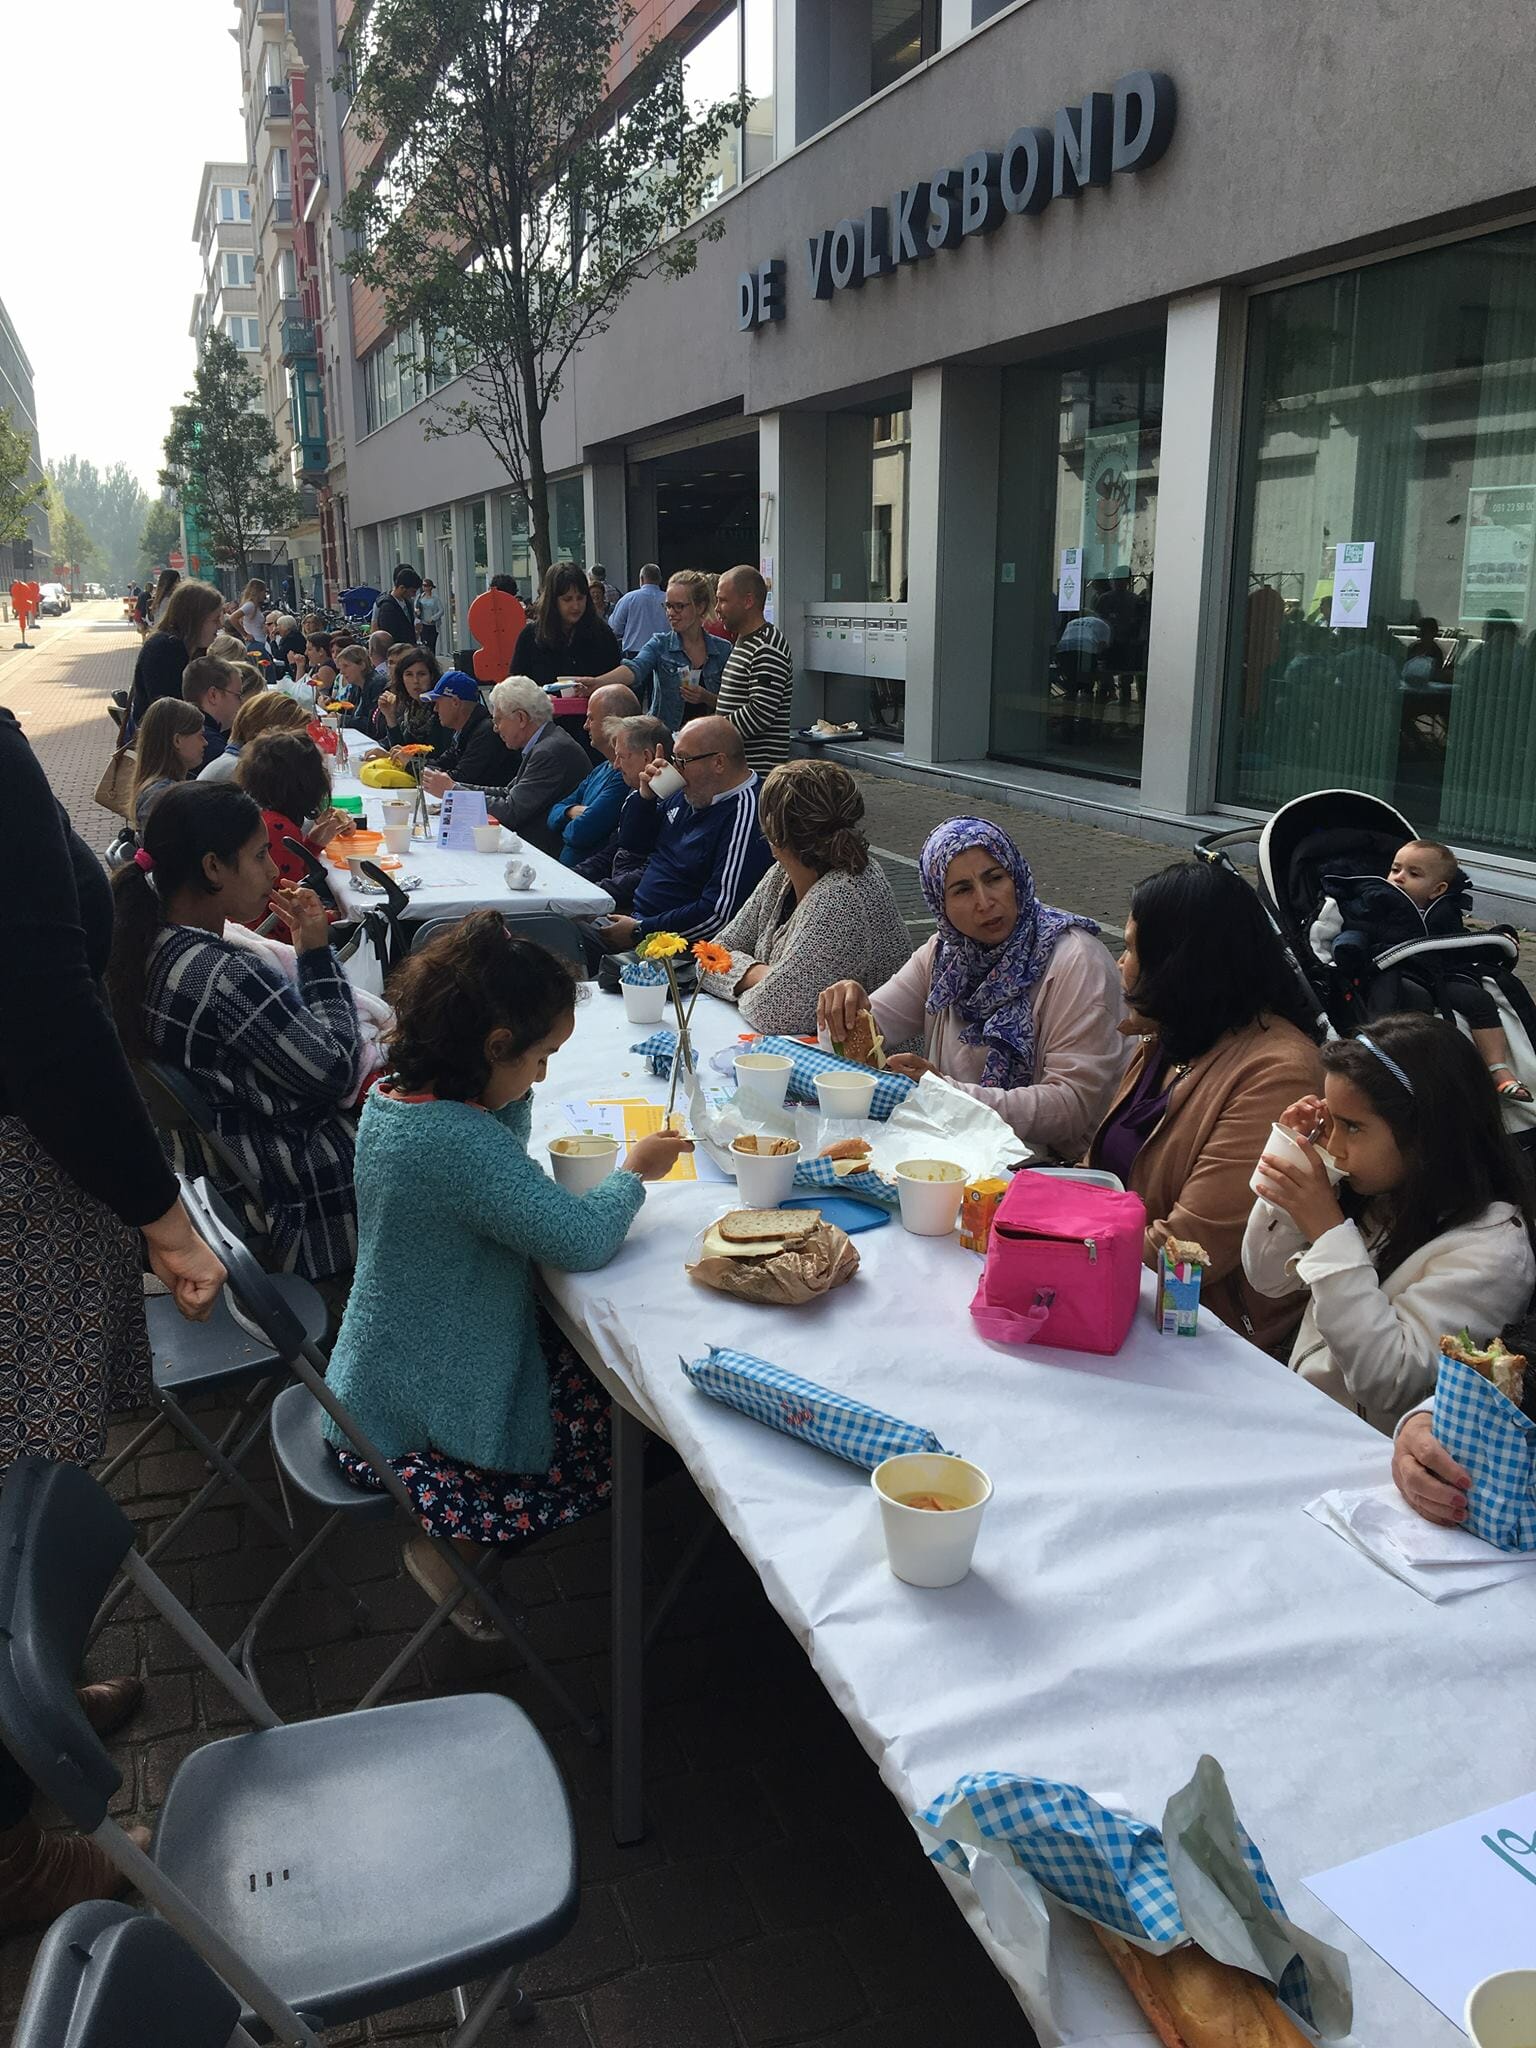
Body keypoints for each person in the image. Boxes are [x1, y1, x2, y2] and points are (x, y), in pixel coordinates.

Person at [0, 706, 225, 1925]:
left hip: (26, 1167)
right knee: (12, 1493)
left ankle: (23, 1690)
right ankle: (10, 1845)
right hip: (15, 1179)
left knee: (20, 1503)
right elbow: (39, 1007)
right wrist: (161, 1210)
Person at [321, 912, 690, 1633]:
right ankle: (456, 1549)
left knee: (598, 1365)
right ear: (494, 1047)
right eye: (540, 1056)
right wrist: (635, 1173)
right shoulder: (455, 1145)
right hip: (416, 1417)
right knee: (638, 1421)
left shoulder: (400, 1097)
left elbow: (499, 1152)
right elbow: (578, 1239)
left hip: (379, 1376)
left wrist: (510, 1092)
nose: (543, 1074)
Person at [106, 782, 361, 1297]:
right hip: (276, 1181)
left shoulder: (141, 941)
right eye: (260, 854)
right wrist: (315, 955)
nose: (273, 871)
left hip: (201, 1164)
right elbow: (334, 1070)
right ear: (212, 868)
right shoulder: (222, 973)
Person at [1244, 1015, 1536, 1433]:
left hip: (1372, 1460)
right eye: (1331, 1120)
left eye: (1352, 1126)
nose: (1334, 1147)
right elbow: (1265, 1277)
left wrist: (1328, 1231)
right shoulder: (1385, 1194)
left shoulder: (1493, 1251)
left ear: (1426, 1134)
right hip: (1305, 1416)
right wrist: (1297, 1162)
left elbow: (1390, 1382)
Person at [1086, 859, 1324, 1349]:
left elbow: (1191, 1244)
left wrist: (1063, 1255)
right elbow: (1099, 1173)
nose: (1119, 964)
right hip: (1123, 1291)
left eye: (1131, 948)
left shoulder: (1278, 1073)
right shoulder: (1175, 1033)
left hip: (1202, 1333)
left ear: (1180, 964)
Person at [820, 817, 1124, 1160]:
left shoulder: (1075, 960)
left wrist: (946, 1095)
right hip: (957, 1150)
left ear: (1016, 877)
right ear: (940, 904)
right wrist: (845, 1010)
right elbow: (858, 1035)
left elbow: (1070, 1108)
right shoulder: (946, 955)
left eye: (995, 879)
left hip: (1053, 1170)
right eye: (962, 890)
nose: (984, 901)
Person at [1311, 838, 1531, 1101]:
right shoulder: (1375, 902)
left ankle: (1498, 1068)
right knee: (1413, 998)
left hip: (1439, 972)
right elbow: (1358, 930)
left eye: (1413, 874)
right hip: (1392, 971)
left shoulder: (1444, 910)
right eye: (1395, 869)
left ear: (1437, 889)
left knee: (1478, 998)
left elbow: (1458, 942)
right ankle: (1393, 1062)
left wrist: (1494, 940)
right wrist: (1349, 948)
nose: (1399, 877)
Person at [702, 760, 910, 1036]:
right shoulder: (782, 874)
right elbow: (707, 955)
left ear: (775, 829)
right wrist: (761, 974)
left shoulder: (842, 896)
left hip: (877, 1070)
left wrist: (747, 978)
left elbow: (773, 1013)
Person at [599, 715, 772, 949]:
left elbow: (719, 916)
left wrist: (641, 931)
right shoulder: (688, 793)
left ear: (718, 763)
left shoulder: (747, 815)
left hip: (672, 946)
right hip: (636, 918)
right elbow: (633, 845)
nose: (676, 770)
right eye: (674, 759)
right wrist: (646, 797)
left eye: (682, 760)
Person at [422, 675, 590, 857]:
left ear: (521, 718)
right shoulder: (545, 742)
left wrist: (454, 791)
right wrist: (452, 787)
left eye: (499, 720)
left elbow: (510, 811)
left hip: (549, 851)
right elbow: (507, 792)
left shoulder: (549, 750)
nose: (495, 728)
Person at [591, 569, 730, 732]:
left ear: (700, 607)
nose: (671, 613)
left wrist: (706, 697)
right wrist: (596, 682)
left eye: (679, 606)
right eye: (668, 606)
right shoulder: (660, 644)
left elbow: (732, 703)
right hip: (667, 739)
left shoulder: (723, 649)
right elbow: (635, 668)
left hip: (709, 739)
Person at [574, 714, 674, 902]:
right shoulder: (636, 792)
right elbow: (616, 849)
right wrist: (571, 878)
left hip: (632, 908)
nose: (615, 765)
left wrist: (592, 893)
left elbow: (649, 872)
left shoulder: (674, 802)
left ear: (647, 756)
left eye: (621, 756)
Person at [235, 729, 351, 890]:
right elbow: (291, 898)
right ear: (306, 782)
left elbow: (296, 873)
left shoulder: (263, 815)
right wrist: (331, 915)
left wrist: (312, 844)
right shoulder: (278, 828)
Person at [711, 565, 794, 773]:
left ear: (748, 601)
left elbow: (759, 714)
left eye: (723, 600)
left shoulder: (766, 647)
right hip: (741, 771)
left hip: (756, 775)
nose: (717, 609)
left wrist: (711, 733)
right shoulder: (745, 640)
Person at [546, 683, 639, 865]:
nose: (585, 726)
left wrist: (564, 821)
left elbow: (580, 833)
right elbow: (552, 815)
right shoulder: (601, 769)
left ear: (611, 722)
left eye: (591, 719)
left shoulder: (624, 778)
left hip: (588, 878)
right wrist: (569, 811)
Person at [127, 579, 224, 733]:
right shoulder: (167, 649)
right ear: (195, 620)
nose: (220, 625)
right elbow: (171, 711)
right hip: (165, 743)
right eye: (215, 619)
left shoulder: (182, 647)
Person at [508, 562, 621, 690]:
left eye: (580, 598)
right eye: (567, 599)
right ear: (552, 601)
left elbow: (615, 683)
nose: (576, 606)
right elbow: (516, 685)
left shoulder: (602, 633)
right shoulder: (530, 636)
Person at [420, 669, 523, 784]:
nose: (435, 709)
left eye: (438, 703)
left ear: (455, 702)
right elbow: (442, 764)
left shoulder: (486, 733)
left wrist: (412, 767)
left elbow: (461, 779)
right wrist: (411, 762)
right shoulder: (465, 730)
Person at [198, 687, 310, 785]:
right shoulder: (240, 772)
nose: (298, 748)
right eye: (294, 740)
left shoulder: (236, 761)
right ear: (267, 734)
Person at [129, 697, 208, 830]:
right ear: (177, 740)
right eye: (200, 735)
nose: (205, 743)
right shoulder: (162, 797)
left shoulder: (157, 791)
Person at [372, 644, 445, 752]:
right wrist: (390, 717)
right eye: (409, 674)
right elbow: (400, 748)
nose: (415, 681)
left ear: (432, 677)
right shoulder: (411, 708)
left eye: (421, 674)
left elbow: (438, 757)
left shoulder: (440, 708)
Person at [181, 654, 245, 769]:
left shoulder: (183, 727)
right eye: (238, 696)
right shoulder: (210, 745)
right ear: (213, 695)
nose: (242, 704)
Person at [608, 563, 667, 659]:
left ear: (641, 579)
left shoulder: (629, 598)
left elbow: (615, 627)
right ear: (660, 579)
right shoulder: (669, 599)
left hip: (635, 654)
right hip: (664, 654)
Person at [373, 565, 421, 646]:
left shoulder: (407, 603)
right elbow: (389, 638)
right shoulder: (387, 608)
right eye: (412, 591)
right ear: (402, 588)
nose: (414, 595)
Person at [234, 579, 268, 646]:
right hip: (255, 642)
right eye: (264, 591)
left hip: (259, 641)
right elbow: (233, 618)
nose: (265, 594)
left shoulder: (254, 606)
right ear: (259, 592)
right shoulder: (250, 605)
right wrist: (245, 634)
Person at [414, 577, 443, 653]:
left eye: (426, 585)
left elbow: (441, 610)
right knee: (425, 645)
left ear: (430, 587)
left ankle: (432, 660)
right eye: (423, 585)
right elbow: (415, 607)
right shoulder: (420, 597)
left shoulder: (435, 598)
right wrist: (417, 611)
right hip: (423, 624)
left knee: (432, 644)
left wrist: (433, 618)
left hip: (432, 625)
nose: (424, 587)